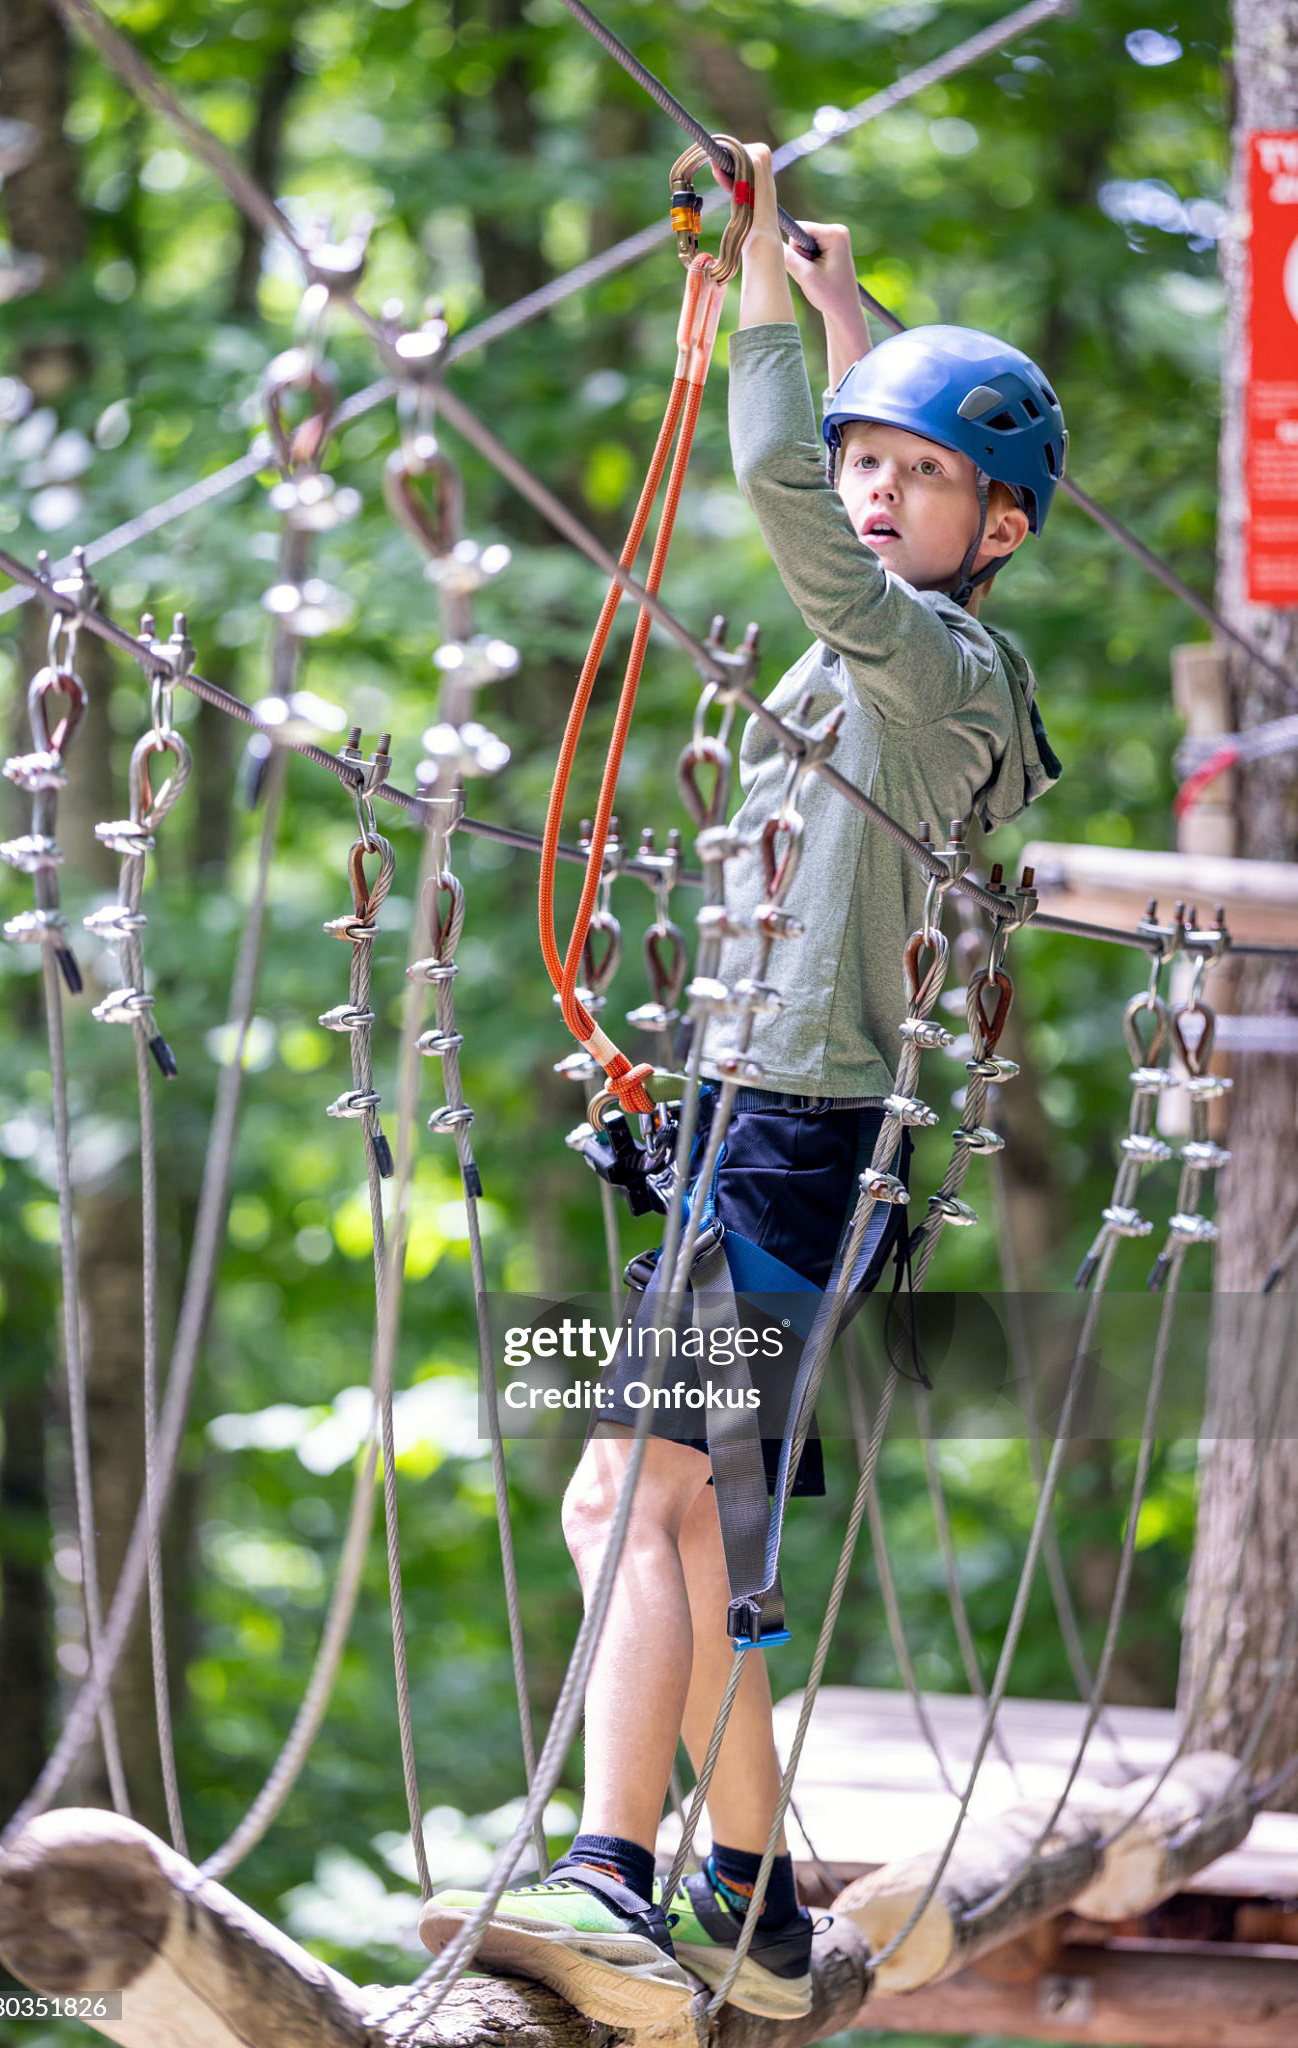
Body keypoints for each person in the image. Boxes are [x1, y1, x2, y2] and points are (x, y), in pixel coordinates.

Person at [418, 143, 1064, 2029]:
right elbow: (857, 482)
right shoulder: (927, 665)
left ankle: (615, 1877)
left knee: (630, 1495)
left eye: (918, 476)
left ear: (998, 530)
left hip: (792, 1142)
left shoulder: (922, 669)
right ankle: (759, 1897)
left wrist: (767, 298)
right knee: (678, 1513)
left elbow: (787, 495)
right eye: (869, 458)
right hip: (761, 1123)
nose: (869, 494)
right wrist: (858, 323)